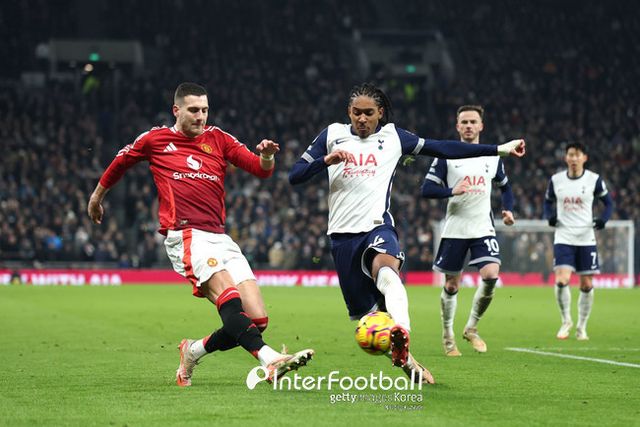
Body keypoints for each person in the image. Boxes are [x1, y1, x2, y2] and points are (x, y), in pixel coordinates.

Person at [288, 83, 525, 384]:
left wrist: (499, 149)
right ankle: (410, 365)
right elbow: (295, 175)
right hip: (342, 237)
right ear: (348, 112)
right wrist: (326, 161)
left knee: (387, 273)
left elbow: (443, 147)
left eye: (369, 113)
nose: (362, 119)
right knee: (371, 319)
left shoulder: (394, 137)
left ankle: (403, 332)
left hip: (377, 226)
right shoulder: (332, 135)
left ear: (380, 113)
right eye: (357, 112)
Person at [87, 82, 313, 387]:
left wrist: (267, 156)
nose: (201, 116)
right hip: (186, 235)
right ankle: (269, 359)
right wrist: (96, 197)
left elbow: (260, 170)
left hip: (220, 237)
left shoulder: (218, 138)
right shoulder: (155, 139)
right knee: (228, 297)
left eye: (205, 110)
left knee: (257, 320)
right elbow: (120, 162)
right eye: (194, 110)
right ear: (176, 110)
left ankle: (192, 351)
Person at [421, 105, 515, 356]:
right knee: (452, 285)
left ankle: (471, 327)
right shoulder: (446, 156)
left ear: (481, 126)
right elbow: (427, 189)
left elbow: (505, 187)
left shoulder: (493, 156)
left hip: (483, 227)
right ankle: (447, 336)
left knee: (491, 275)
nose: (469, 126)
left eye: (473, 122)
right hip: (456, 228)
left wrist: (507, 209)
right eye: (464, 122)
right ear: (457, 127)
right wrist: (451, 191)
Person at [544, 142, 613, 340]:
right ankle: (566, 320)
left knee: (586, 284)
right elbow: (547, 201)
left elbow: (608, 203)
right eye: (570, 155)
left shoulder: (594, 180)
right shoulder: (556, 180)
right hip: (563, 236)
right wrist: (549, 216)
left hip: (585, 237)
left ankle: (582, 326)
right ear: (566, 158)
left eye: (577, 155)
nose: (574, 158)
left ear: (584, 158)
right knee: (561, 280)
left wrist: (603, 219)